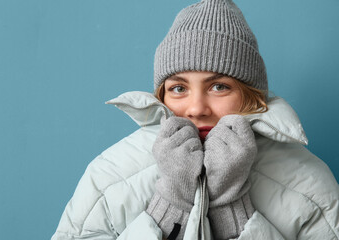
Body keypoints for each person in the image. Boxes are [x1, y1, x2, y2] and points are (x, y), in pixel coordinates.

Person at [52, 0, 339, 239]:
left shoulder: (310, 185)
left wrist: (233, 212)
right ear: (162, 95)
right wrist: (169, 209)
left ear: (251, 95)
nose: (196, 108)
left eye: (219, 86)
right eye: (179, 88)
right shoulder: (108, 177)